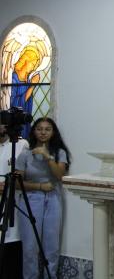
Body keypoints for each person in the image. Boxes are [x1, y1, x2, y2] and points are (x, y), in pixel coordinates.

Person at [15, 117, 71, 279]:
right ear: (33, 131)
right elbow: (17, 183)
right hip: (30, 200)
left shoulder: (59, 153)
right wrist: (39, 186)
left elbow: (60, 175)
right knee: (30, 246)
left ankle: (50, 275)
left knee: (51, 245)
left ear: (53, 133)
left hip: (53, 199)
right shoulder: (25, 154)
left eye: (47, 129)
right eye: (39, 129)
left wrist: (48, 157)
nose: (43, 132)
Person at [0, 124, 29, 278]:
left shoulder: (21, 145)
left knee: (11, 245)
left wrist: (11, 183)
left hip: (13, 203)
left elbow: (27, 172)